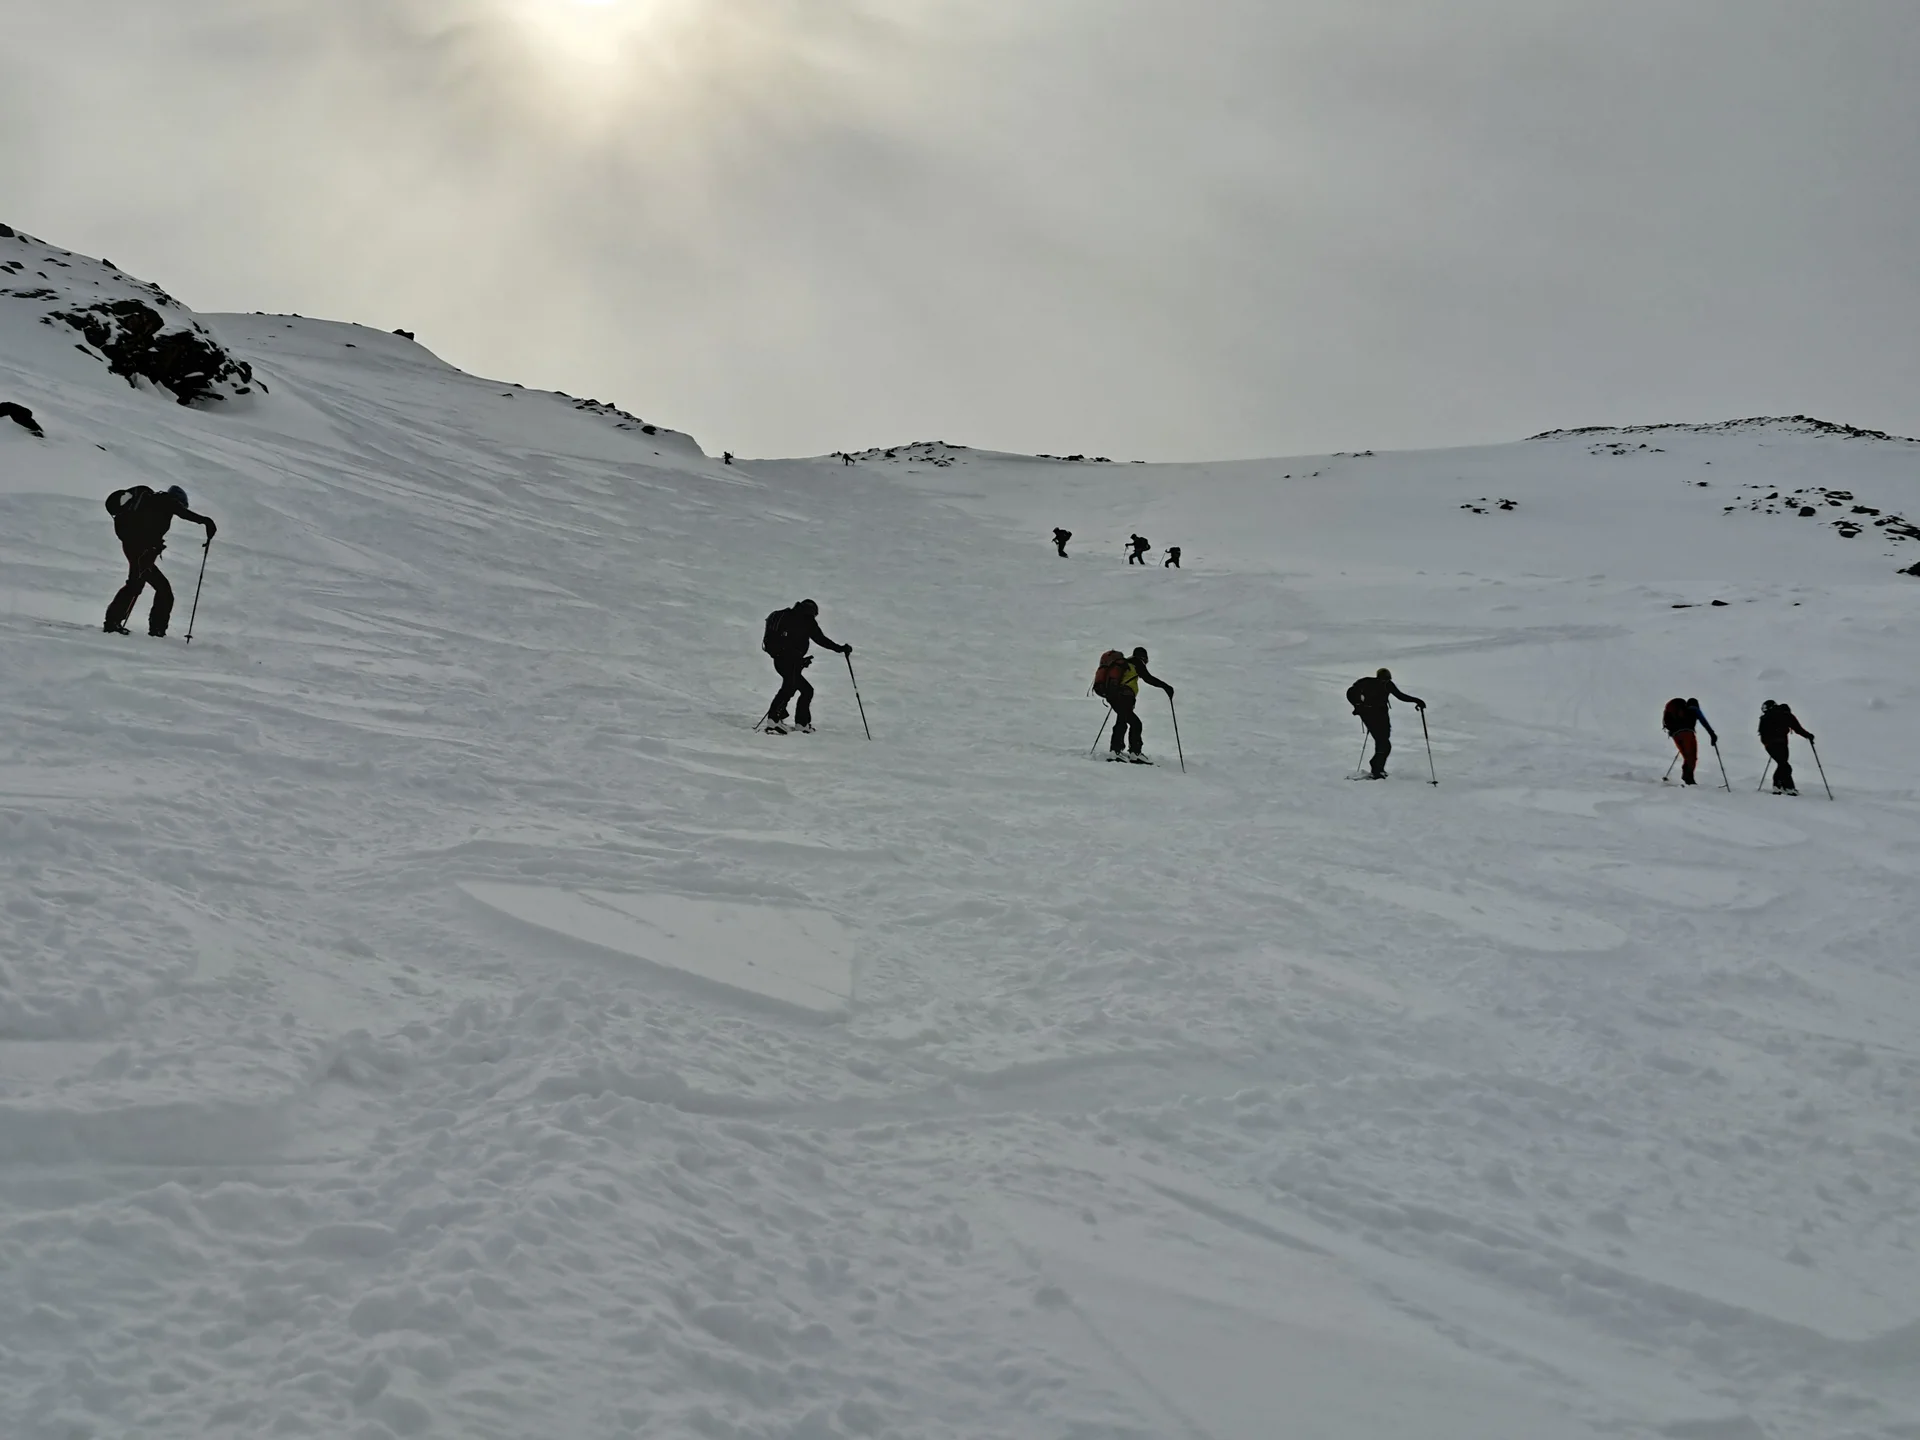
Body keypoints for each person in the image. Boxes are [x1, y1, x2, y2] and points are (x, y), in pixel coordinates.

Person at [102, 484, 216, 637]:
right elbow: (184, 513)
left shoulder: (152, 502)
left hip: (134, 548)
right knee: (149, 587)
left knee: (144, 585)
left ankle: (120, 623)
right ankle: (129, 626)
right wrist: (206, 521)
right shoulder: (166, 501)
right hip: (141, 552)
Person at [761, 598, 850, 734]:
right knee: (790, 688)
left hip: (780, 660)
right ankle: (774, 720)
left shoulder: (788, 616)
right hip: (790, 661)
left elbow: (790, 644)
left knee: (803, 689)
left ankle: (798, 723)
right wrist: (840, 648)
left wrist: (800, 661)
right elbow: (821, 639)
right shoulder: (807, 621)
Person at [1095, 646, 1173, 762]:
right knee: (1133, 723)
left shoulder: (1125, 663)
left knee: (1125, 721)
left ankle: (1118, 750)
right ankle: (1129, 752)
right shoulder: (1137, 662)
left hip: (1115, 696)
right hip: (1125, 696)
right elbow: (1148, 678)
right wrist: (1166, 687)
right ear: (1143, 657)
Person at [1346, 668, 1425, 779]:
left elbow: (1400, 696)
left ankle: (1378, 768)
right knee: (1383, 742)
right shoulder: (1374, 683)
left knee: (1383, 741)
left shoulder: (1379, 683)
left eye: (1386, 679)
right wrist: (1358, 706)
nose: (1385, 681)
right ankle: (1376, 768)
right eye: (1384, 679)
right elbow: (1351, 692)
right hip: (1371, 715)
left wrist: (1417, 700)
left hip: (1378, 716)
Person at [1757, 700, 1814, 795]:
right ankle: (1787, 787)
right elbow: (1798, 729)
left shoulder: (1765, 717)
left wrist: (1766, 743)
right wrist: (1808, 735)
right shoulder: (1786, 715)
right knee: (1784, 765)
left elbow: (1762, 733)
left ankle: (1780, 786)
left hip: (1770, 745)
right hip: (1782, 744)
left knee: (1783, 765)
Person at [1661, 696, 1718, 785]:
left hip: (1675, 735)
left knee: (1687, 757)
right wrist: (1712, 734)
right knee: (1692, 757)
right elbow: (1703, 721)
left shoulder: (1680, 714)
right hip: (1687, 733)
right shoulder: (1693, 708)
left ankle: (1687, 776)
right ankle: (1688, 778)